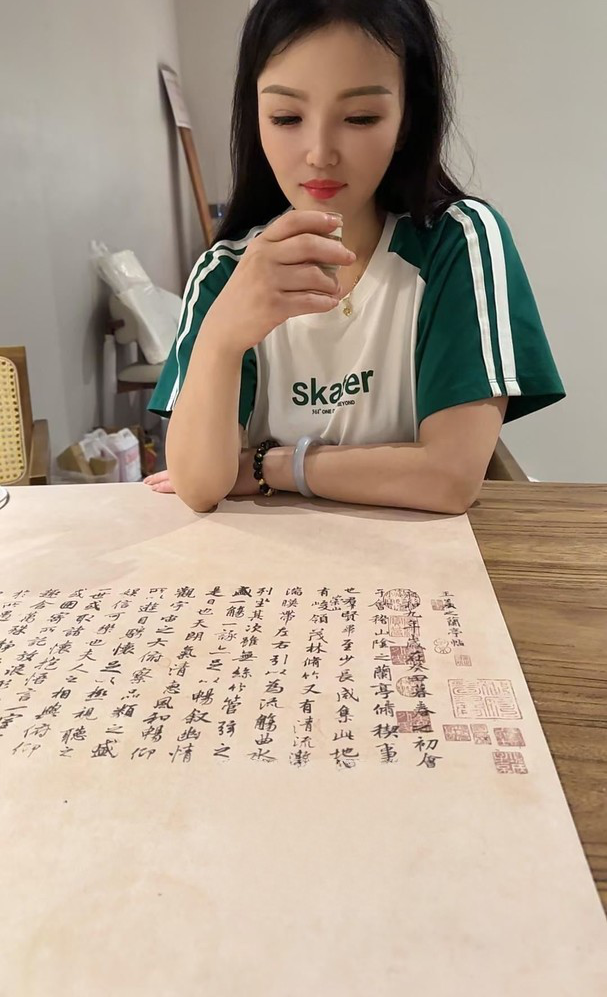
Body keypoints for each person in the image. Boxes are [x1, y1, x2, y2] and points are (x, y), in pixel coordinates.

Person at [145, 0, 565, 514]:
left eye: (360, 117)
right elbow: (200, 485)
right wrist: (222, 336)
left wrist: (267, 465)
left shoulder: (457, 244)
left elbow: (449, 479)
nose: (320, 153)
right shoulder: (226, 271)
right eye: (286, 117)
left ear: (406, 120)